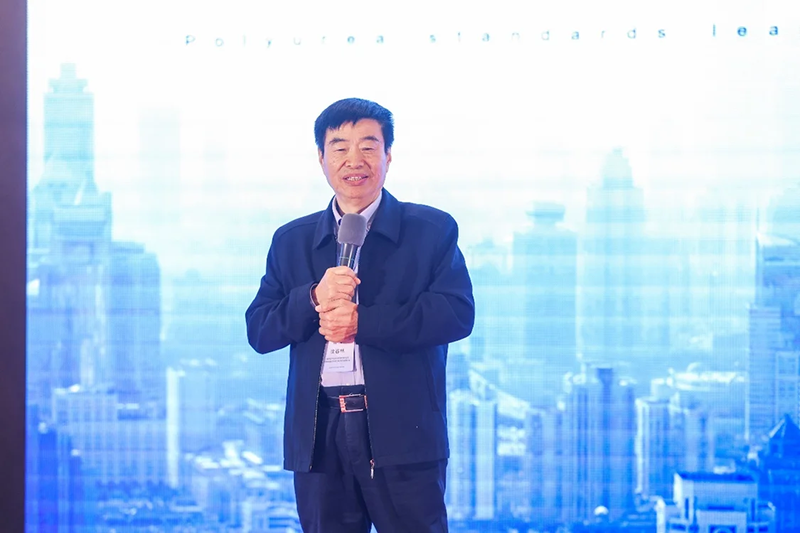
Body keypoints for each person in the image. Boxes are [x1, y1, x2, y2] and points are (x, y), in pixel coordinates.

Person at [245, 97, 474, 533]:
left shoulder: (430, 230)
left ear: (388, 155)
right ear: (321, 158)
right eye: (340, 147)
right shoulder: (292, 240)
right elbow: (260, 329)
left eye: (369, 146)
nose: (355, 160)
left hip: (402, 430)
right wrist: (312, 297)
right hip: (319, 434)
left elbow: (455, 313)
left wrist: (362, 323)